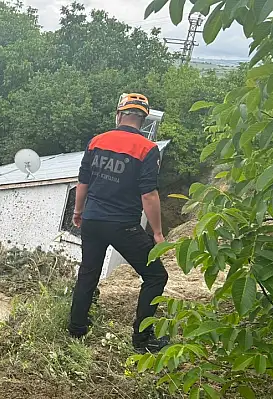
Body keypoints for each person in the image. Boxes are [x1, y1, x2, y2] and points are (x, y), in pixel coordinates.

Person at [68, 93, 169, 353]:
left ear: (120, 115)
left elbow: (83, 183)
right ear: (142, 119)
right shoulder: (148, 149)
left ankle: (77, 329)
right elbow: (149, 194)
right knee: (156, 275)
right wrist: (157, 233)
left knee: (88, 273)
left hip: (92, 219)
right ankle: (142, 341)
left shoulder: (97, 141)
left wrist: (78, 212)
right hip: (123, 225)